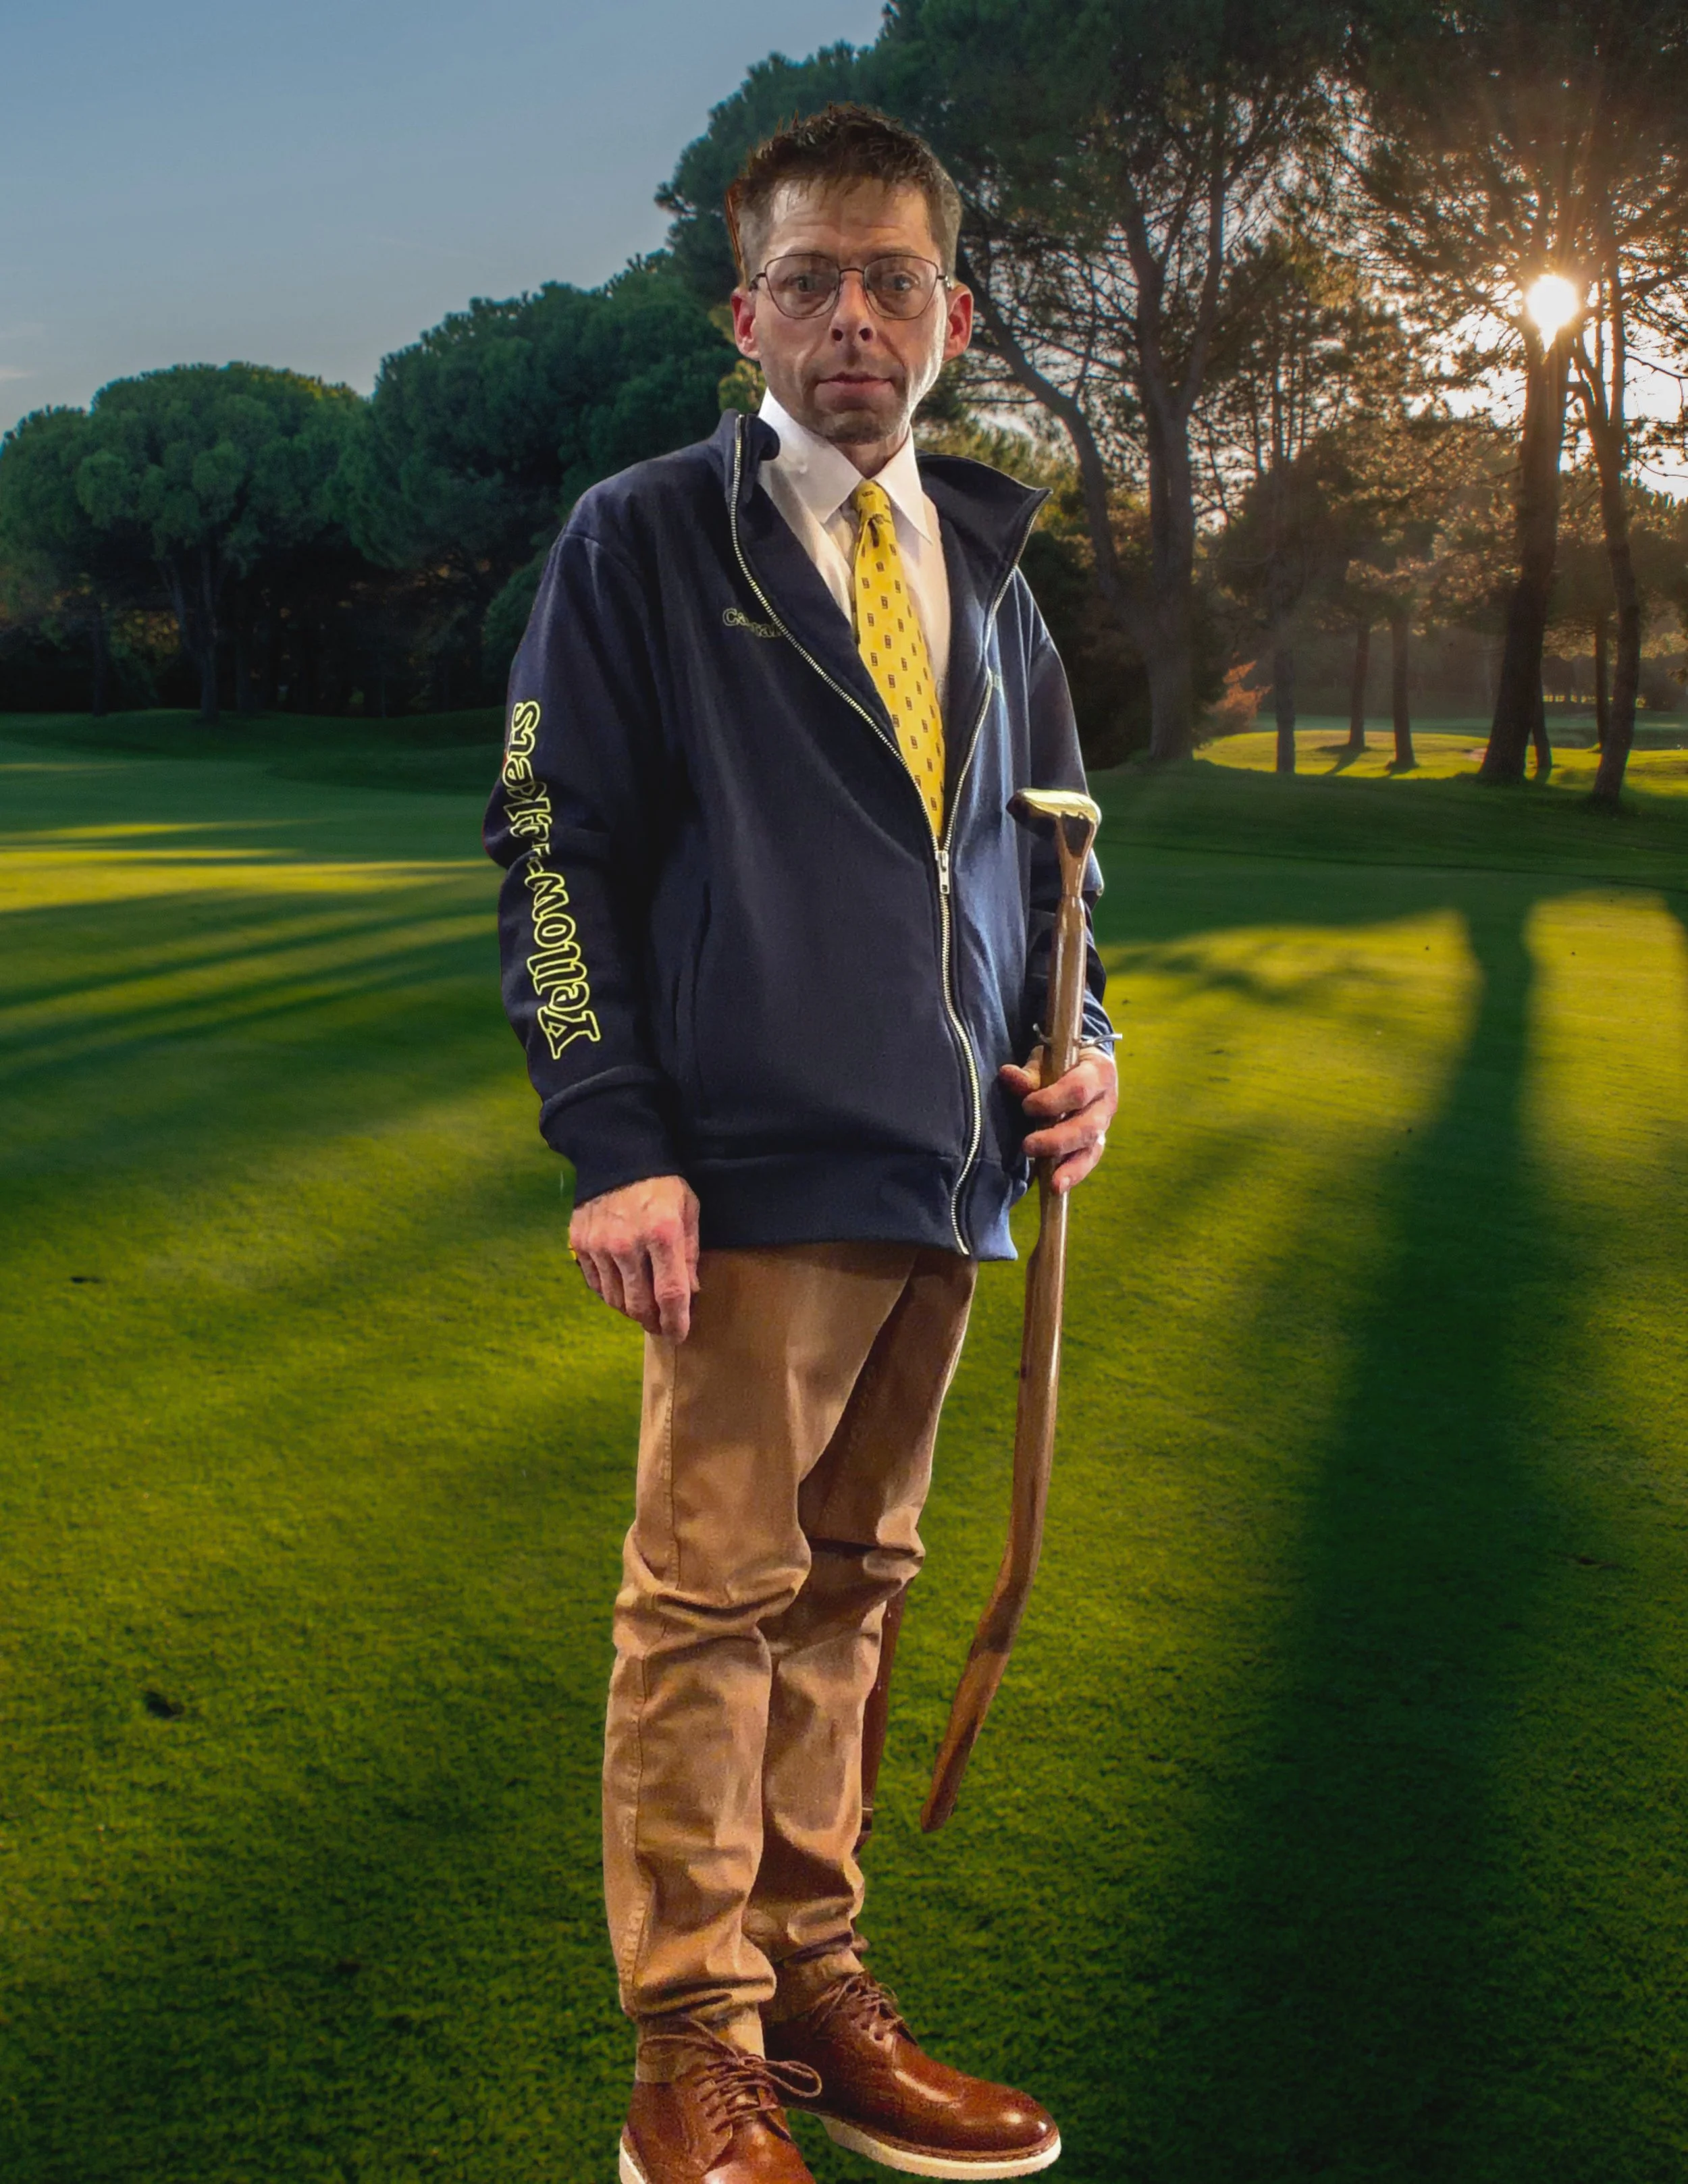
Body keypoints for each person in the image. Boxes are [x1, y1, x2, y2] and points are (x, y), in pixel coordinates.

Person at [486, 103, 1117, 2184]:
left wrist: (1084, 1050)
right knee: (710, 1606)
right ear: (739, 310)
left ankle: (809, 1981)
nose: (854, 318)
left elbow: (1054, 881)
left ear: (953, 309)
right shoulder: (645, 534)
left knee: (850, 1593)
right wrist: (611, 1138)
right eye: (810, 279)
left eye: (894, 278)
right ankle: (693, 2052)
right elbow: (550, 845)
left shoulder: (994, 571)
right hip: (746, 1176)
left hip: (953, 1179)